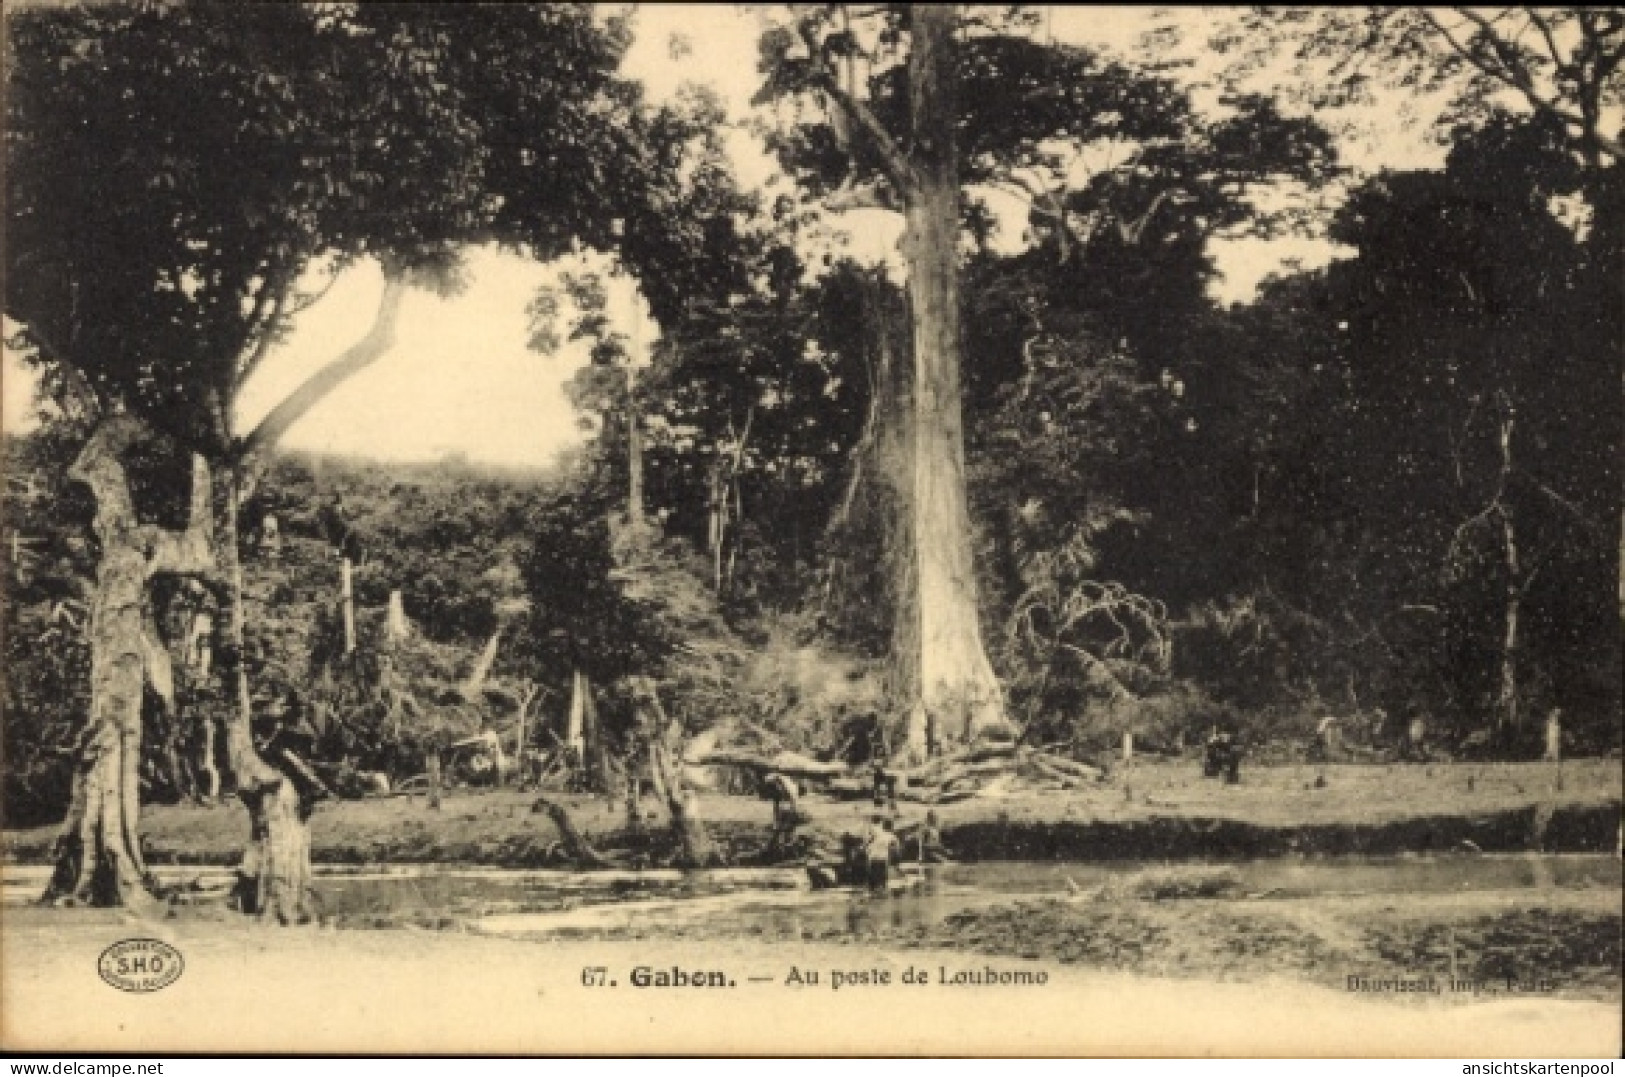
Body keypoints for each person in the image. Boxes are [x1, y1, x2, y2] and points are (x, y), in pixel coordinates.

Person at [864, 815, 900, 893]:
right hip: (882, 860)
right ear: (891, 827)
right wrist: (896, 865)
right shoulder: (892, 837)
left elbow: (866, 844)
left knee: (871, 885)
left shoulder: (877, 834)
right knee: (882, 884)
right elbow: (895, 851)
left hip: (872, 859)